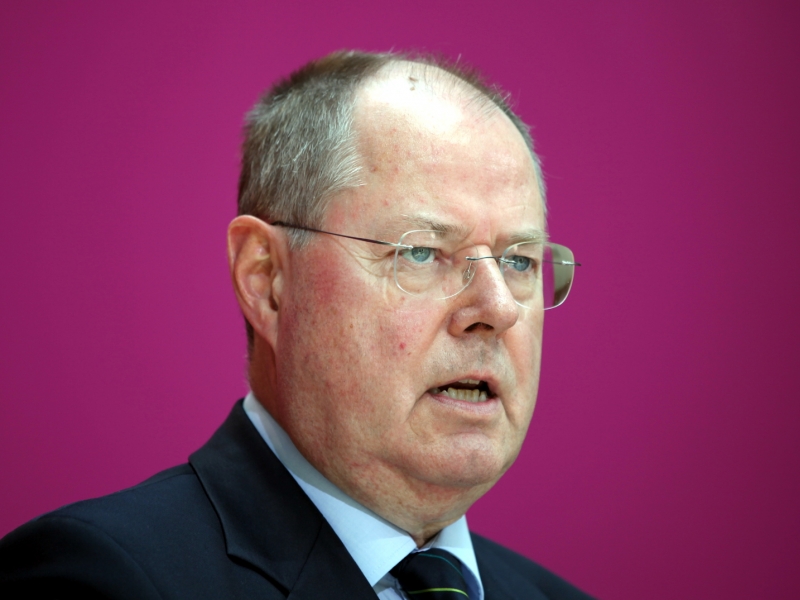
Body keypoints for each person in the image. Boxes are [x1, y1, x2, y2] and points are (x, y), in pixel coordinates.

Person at [0, 50, 591, 599]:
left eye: (519, 261)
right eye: (421, 252)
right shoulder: (101, 577)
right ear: (268, 279)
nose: (498, 309)